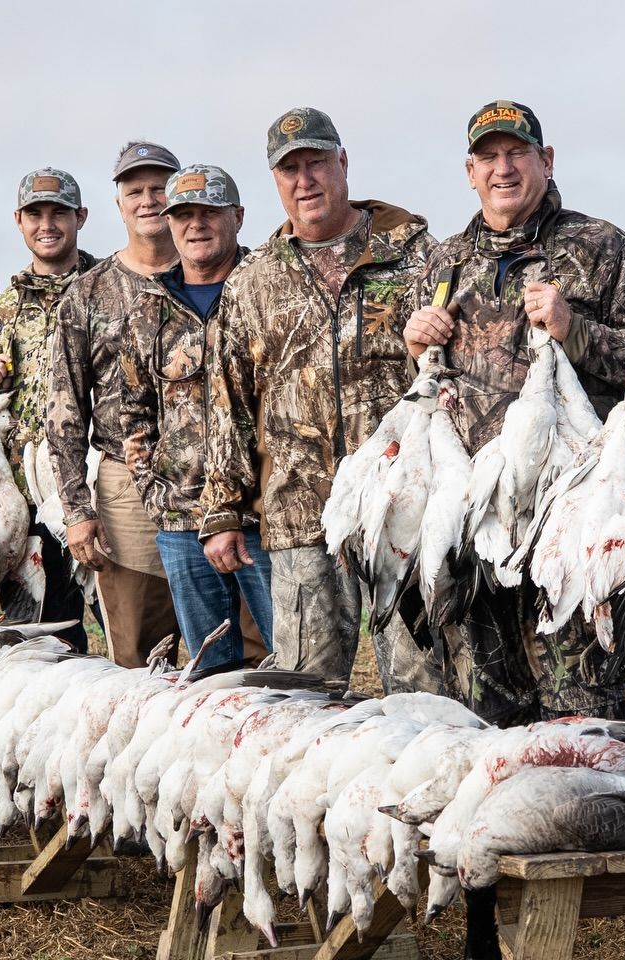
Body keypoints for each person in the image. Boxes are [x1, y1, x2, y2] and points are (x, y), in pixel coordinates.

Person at [402, 100, 625, 726]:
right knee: (485, 719)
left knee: (583, 713)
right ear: (470, 172)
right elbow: (417, 397)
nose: (503, 168)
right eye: (488, 157)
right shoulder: (441, 263)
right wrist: (413, 348)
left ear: (546, 160)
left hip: (569, 522)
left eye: (517, 153)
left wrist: (576, 331)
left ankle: (595, 820)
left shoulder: (603, 249)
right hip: (476, 524)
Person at [200, 107, 442, 693]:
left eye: (316, 163)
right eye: (290, 170)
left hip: (399, 507)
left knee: (420, 681)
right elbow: (227, 401)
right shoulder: (254, 278)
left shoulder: (414, 256)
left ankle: (413, 787)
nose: (305, 181)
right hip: (300, 511)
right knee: (305, 687)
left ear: (343, 163)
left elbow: (449, 371)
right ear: (275, 181)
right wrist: (223, 511)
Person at [118, 165, 271, 669]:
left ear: (239, 217)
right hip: (182, 520)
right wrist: (157, 493)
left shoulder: (267, 291)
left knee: (289, 665)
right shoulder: (149, 309)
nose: (196, 225)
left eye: (210, 212)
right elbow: (134, 413)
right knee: (210, 672)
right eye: (183, 214)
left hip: (260, 519)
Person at [46, 142, 182, 667]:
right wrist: (78, 513)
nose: (148, 200)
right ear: (119, 203)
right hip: (127, 488)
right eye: (135, 191)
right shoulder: (89, 293)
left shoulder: (219, 273)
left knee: (239, 651)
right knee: (139, 656)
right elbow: (64, 415)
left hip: (220, 487)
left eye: (159, 188)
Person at [0, 168, 96, 650]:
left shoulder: (106, 287)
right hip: (28, 496)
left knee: (120, 618)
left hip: (93, 485)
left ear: (80, 217)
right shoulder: (7, 304)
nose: (47, 224)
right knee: (43, 638)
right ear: (19, 221)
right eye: (35, 214)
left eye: (59, 213)